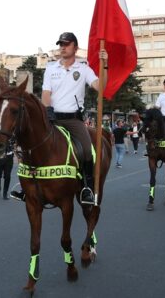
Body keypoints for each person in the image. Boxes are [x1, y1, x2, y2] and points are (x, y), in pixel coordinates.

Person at [11, 32, 101, 204]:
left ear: (75, 47)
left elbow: (99, 86)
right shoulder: (51, 68)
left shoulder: (83, 69)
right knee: (30, 145)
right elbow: (46, 93)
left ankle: (86, 188)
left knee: (88, 151)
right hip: (51, 117)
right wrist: (47, 110)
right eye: (61, 44)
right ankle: (26, 187)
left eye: (66, 44)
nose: (62, 47)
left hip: (73, 120)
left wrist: (104, 67)